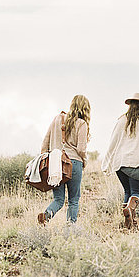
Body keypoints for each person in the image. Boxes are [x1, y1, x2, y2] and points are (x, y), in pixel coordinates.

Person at [102, 93, 139, 229]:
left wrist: (108, 161)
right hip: (136, 163)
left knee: (127, 191)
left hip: (119, 163)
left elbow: (113, 141)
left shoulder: (122, 120)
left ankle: (130, 224)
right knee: (135, 193)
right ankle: (130, 215)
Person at [38, 95, 91, 225]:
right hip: (74, 163)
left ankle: (46, 215)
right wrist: (84, 161)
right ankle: (70, 228)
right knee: (73, 200)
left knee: (59, 200)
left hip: (56, 164)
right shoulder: (81, 123)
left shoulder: (57, 119)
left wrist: (47, 159)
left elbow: (45, 144)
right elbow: (81, 149)